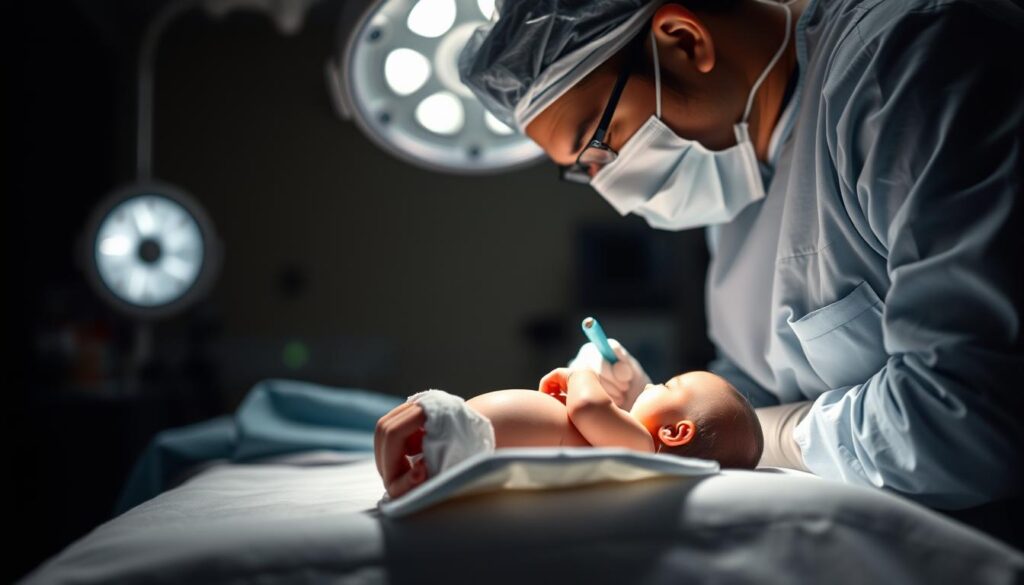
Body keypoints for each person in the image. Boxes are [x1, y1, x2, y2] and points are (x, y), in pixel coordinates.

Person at [453, 0, 1024, 511]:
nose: (609, 188)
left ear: (683, 39)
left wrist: (760, 435)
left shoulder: (912, 59)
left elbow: (970, 423)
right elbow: (753, 383)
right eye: (580, 173)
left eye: (596, 144)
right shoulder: (733, 181)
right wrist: (653, 403)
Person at [374, 368, 763, 499]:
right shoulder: (616, 440)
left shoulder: (641, 446)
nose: (650, 385)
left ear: (676, 432)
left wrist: (583, 376)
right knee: (413, 466)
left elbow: (587, 406)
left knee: (411, 460)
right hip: (468, 439)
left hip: (472, 443)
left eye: (666, 386)